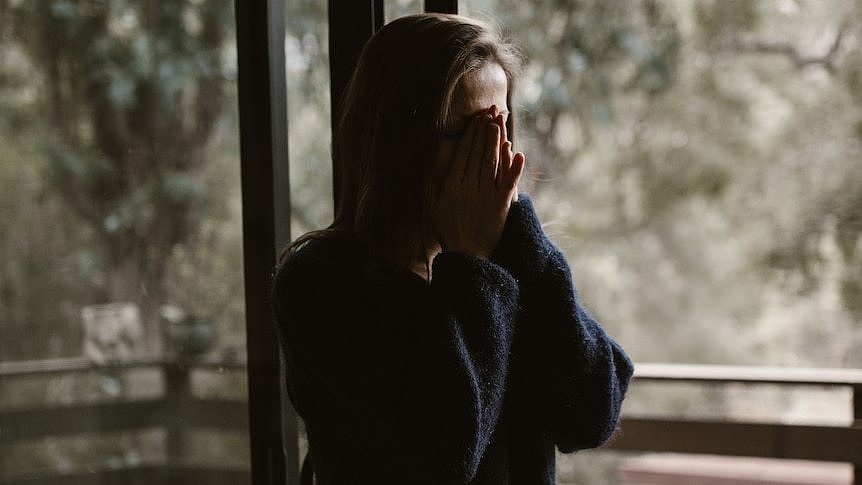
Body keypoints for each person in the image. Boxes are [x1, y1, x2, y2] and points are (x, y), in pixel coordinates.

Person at [272, 13, 633, 485]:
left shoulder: (512, 265)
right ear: (396, 138)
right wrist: (473, 264)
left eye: (497, 128)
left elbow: (592, 411)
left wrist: (520, 237)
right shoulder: (320, 284)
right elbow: (443, 451)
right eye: (461, 132)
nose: (487, 153)